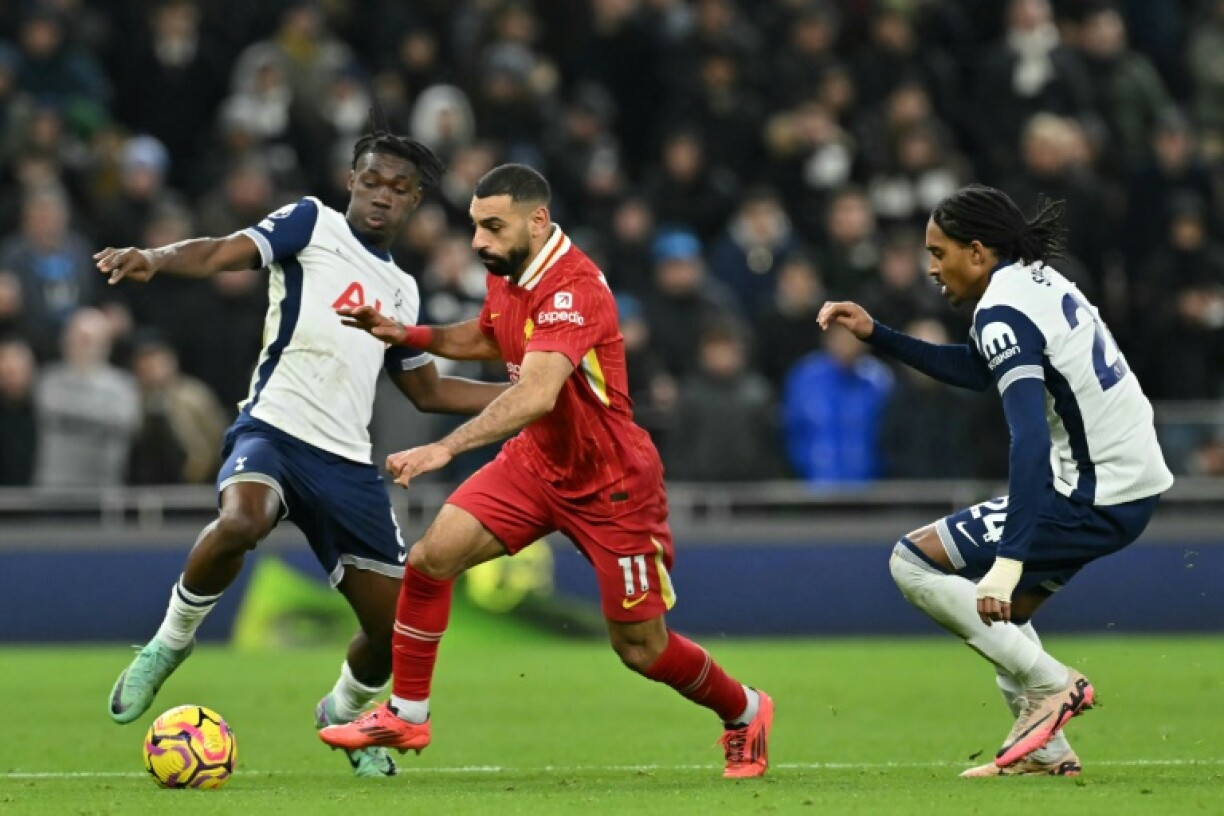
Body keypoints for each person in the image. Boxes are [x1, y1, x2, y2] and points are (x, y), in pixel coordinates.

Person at [318, 163, 774, 779]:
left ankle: (745, 710)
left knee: (641, 649)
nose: (478, 241)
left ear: (537, 220)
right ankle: (407, 712)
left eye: (492, 226)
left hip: (610, 484)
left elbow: (535, 394)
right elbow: (488, 337)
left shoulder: (573, 288)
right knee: (431, 559)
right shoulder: (509, 269)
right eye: (475, 226)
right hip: (536, 464)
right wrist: (408, 332)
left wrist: (444, 449)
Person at [95, 119, 509, 777]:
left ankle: (343, 711)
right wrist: (157, 257)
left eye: (397, 188)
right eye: (371, 180)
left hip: (346, 463)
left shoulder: (403, 290)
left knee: (396, 635)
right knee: (244, 519)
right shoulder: (311, 224)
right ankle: (169, 644)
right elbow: (220, 251)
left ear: (413, 202)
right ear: (351, 181)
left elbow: (426, 390)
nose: (380, 195)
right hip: (274, 429)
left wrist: (522, 396)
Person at [818, 184, 1174, 777]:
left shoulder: (1003, 310)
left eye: (939, 253)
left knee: (911, 561)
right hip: (1128, 485)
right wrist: (878, 334)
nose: (931, 268)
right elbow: (980, 367)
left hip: (1090, 490)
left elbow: (1029, 438)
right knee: (1001, 619)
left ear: (977, 252)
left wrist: (1009, 558)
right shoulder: (1033, 282)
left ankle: (1055, 684)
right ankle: (1047, 754)